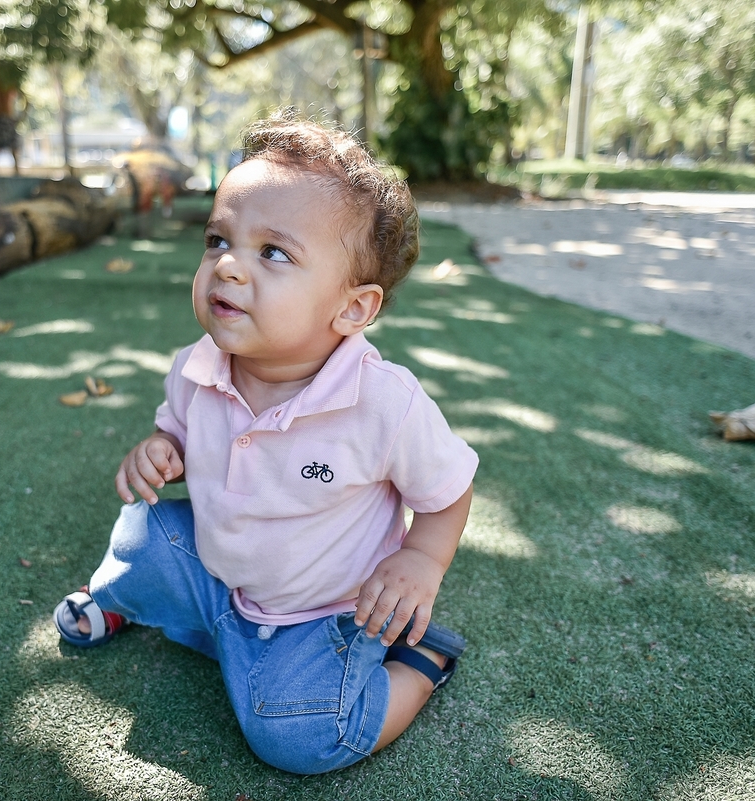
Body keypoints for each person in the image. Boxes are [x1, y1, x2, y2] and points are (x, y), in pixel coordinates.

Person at [54, 110, 479, 774]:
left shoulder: (384, 402)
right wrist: (161, 447)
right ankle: (146, 610)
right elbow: (179, 431)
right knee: (141, 533)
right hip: (221, 574)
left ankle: (421, 665)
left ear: (352, 308)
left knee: (299, 736)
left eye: (272, 252)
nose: (227, 266)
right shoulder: (198, 365)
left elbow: (449, 490)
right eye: (219, 239)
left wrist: (422, 559)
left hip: (323, 612)